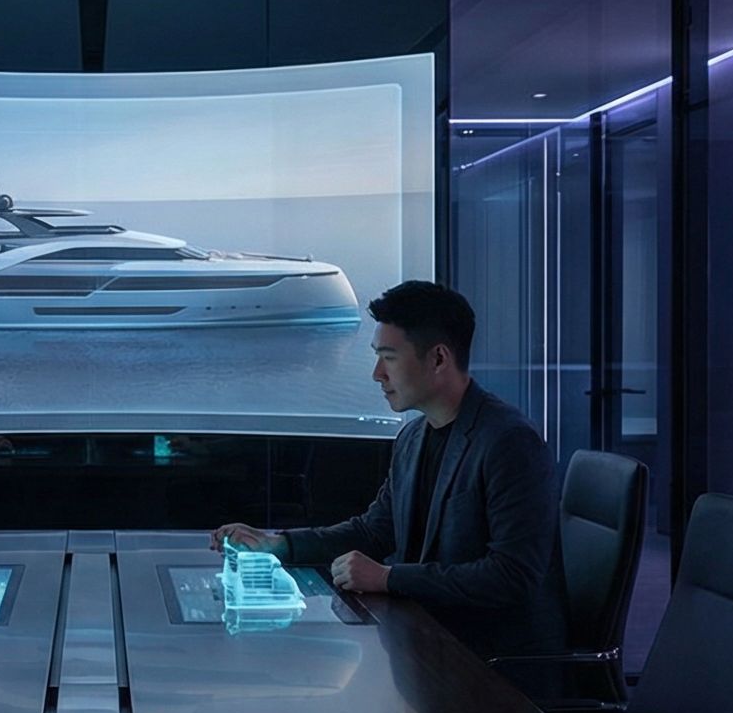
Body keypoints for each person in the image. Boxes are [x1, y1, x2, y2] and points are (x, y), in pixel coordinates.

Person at [210, 279, 561, 658]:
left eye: (389, 357)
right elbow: (373, 531)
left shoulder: (508, 441)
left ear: (439, 359)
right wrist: (278, 544)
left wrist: (388, 578)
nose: (377, 373)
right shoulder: (413, 437)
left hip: (492, 666)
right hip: (427, 643)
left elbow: (511, 576)